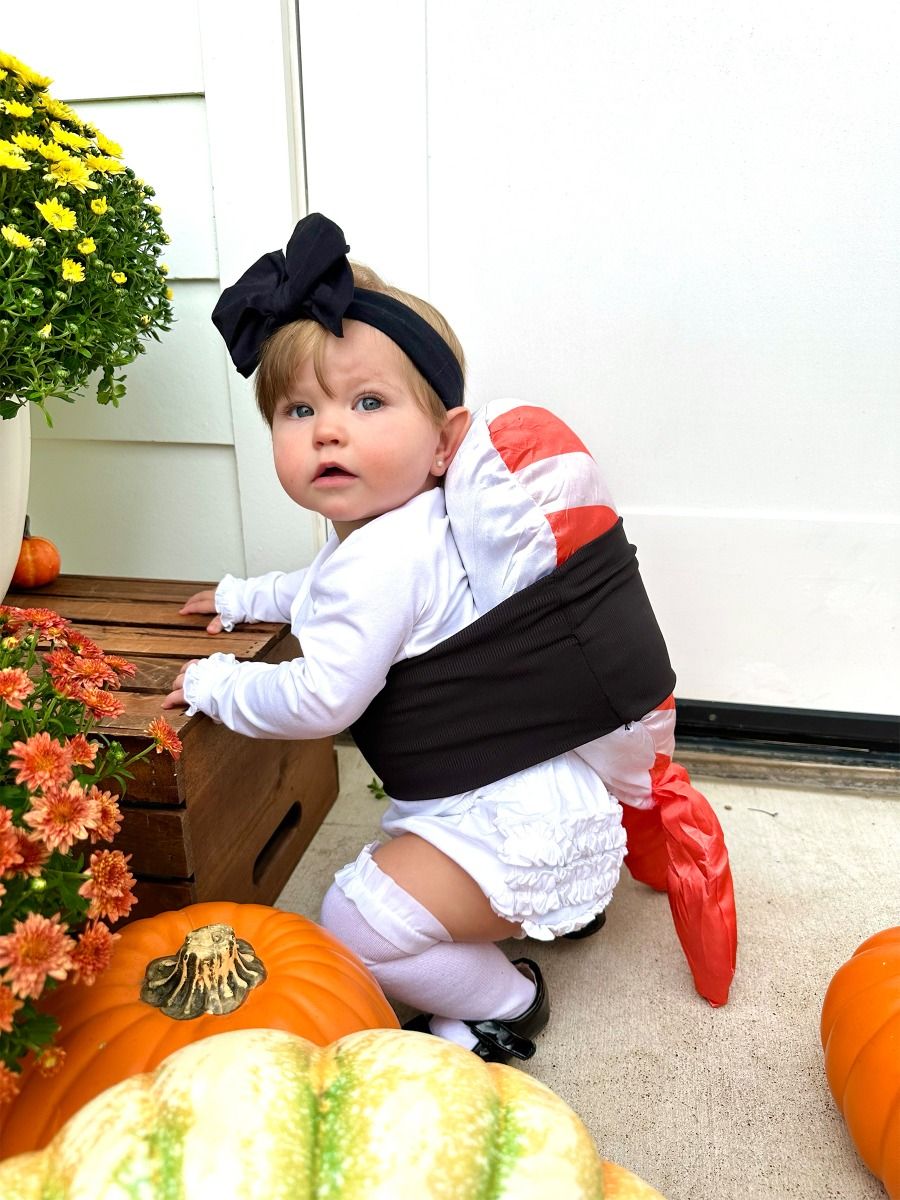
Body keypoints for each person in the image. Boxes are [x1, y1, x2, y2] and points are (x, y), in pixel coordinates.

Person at [162, 213, 635, 1062]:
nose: (328, 430)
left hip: (507, 818)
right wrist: (244, 597)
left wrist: (213, 685)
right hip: (530, 789)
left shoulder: (378, 560)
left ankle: (508, 997)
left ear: (446, 441)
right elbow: (320, 592)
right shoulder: (409, 526)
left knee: (352, 927)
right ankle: (496, 943)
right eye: (298, 409)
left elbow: (321, 697)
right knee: (386, 905)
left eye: (367, 402)